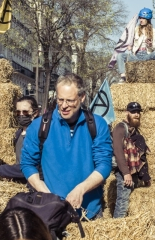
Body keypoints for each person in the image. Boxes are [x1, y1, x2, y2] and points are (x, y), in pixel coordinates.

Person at [21, 73, 112, 219]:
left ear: (82, 97)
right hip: (51, 211)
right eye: (60, 99)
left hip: (89, 212)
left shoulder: (97, 124)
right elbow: (27, 164)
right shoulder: (40, 125)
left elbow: (104, 165)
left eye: (70, 101)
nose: (64, 106)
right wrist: (46, 193)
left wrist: (81, 189)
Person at [112, 102, 151, 218]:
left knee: (130, 204)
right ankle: (116, 230)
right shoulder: (120, 128)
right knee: (122, 204)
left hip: (133, 173)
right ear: (126, 113)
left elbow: (139, 155)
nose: (136, 115)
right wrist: (126, 173)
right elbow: (118, 152)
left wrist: (145, 176)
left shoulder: (134, 130)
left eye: (138, 112)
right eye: (133, 112)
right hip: (124, 173)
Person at [0, 97, 39, 180]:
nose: (21, 115)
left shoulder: (38, 135)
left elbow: (31, 166)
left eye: (25, 112)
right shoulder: (17, 134)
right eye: (18, 112)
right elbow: (19, 164)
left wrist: (0, 170)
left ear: (35, 113)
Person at [116, 8, 155, 82]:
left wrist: (151, 44)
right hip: (136, 56)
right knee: (120, 56)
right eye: (140, 18)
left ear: (148, 19)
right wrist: (129, 46)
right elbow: (129, 39)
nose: (141, 20)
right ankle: (123, 76)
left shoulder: (154, 31)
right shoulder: (135, 29)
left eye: (143, 18)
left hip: (147, 55)